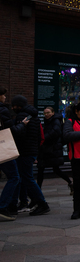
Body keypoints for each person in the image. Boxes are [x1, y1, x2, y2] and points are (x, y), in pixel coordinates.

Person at [9, 95, 51, 216]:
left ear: (19, 105)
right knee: (26, 177)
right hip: (31, 151)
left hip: (24, 151)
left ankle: (41, 203)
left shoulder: (22, 116)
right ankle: (34, 201)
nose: (13, 107)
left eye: (14, 105)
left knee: (26, 178)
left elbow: (19, 135)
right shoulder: (34, 116)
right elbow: (38, 136)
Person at [38, 107, 73, 194]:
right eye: (45, 113)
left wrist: (43, 138)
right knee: (44, 169)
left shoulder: (55, 121)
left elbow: (55, 132)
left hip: (52, 149)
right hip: (49, 148)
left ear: (53, 112)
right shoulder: (50, 120)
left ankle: (38, 190)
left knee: (51, 169)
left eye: (48, 112)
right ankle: (70, 183)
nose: (46, 115)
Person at [0, 87, 20, 221]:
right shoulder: (2, 110)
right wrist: (21, 126)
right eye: (3, 95)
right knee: (14, 176)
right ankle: (3, 207)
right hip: (2, 147)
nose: (5, 97)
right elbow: (9, 130)